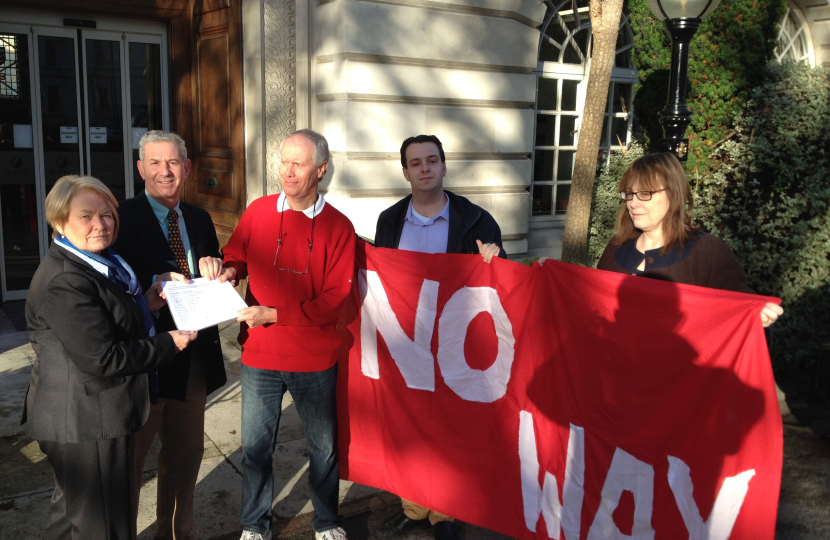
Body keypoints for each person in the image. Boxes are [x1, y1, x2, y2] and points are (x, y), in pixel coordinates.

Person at [200, 129, 355, 540]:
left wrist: (276, 313)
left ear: (320, 170)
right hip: (260, 356)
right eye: (283, 161)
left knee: (322, 450)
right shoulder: (258, 210)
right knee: (255, 450)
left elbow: (335, 300)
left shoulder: (340, 227)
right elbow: (237, 252)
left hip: (314, 357)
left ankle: (326, 521)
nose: (287, 172)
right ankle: (254, 524)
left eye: (298, 164)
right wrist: (229, 269)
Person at [23, 175, 197, 540]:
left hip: (96, 412)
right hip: (87, 420)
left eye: (107, 215)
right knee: (102, 527)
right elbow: (102, 357)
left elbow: (108, 321)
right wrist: (169, 342)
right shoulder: (64, 279)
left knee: (73, 518)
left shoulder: (99, 260)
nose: (100, 225)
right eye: (86, 216)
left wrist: (148, 300)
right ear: (59, 221)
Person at [372, 134, 505, 540]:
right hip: (407, 342)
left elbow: (499, 284)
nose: (424, 168)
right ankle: (414, 507)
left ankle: (445, 512)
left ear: (444, 167)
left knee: (450, 427)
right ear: (406, 172)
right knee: (409, 426)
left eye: (432, 160)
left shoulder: (477, 220)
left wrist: (494, 260)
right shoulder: (390, 220)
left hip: (454, 343)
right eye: (416, 163)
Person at [113, 130, 228, 540]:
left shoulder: (198, 218)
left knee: (184, 457)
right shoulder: (119, 217)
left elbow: (213, 270)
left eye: (174, 162)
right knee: (128, 462)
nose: (166, 171)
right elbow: (107, 283)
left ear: (187, 168)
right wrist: (151, 282)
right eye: (156, 163)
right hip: (143, 362)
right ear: (141, 168)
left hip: (192, 360)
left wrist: (218, 265)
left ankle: (177, 534)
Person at [595, 152, 782, 326]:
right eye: (629, 194)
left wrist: (759, 316)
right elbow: (595, 308)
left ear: (673, 194)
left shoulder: (706, 252)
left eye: (645, 194)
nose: (633, 203)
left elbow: (738, 308)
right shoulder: (616, 248)